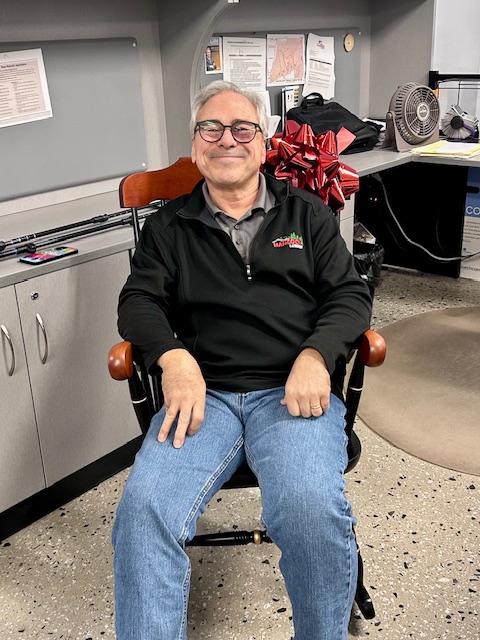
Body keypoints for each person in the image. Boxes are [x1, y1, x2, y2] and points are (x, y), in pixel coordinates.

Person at [112, 79, 372, 640]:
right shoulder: (168, 227)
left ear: (264, 143)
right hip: (202, 398)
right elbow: (137, 302)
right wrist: (173, 358)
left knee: (310, 510)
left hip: (292, 393)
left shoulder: (306, 214)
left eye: (242, 128)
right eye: (211, 128)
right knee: (143, 512)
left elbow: (350, 295)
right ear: (194, 143)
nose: (226, 139)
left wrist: (317, 355)